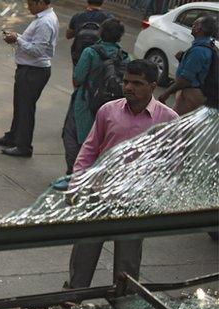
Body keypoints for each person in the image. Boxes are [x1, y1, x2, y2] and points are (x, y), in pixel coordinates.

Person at [65, 59, 179, 288]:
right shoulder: (108, 111)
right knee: (84, 253)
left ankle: (123, 306)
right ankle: (72, 299)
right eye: (126, 81)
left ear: (152, 86)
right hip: (99, 196)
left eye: (137, 83)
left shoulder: (169, 120)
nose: (128, 87)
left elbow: (172, 165)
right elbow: (89, 150)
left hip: (136, 202)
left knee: (127, 263)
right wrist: (76, 183)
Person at [0, 0, 59, 157]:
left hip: (34, 71)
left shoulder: (45, 22)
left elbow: (37, 50)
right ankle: (14, 136)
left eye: (31, 5)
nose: (29, 8)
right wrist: (18, 37)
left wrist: (17, 39)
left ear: (41, 3)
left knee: (26, 108)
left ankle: (24, 146)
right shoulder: (41, 18)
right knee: (20, 106)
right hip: (28, 69)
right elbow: (33, 43)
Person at [62, 18, 128, 175]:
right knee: (99, 140)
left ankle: (74, 174)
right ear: (119, 37)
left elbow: (77, 78)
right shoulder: (124, 56)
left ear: (101, 32)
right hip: (111, 105)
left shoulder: (90, 52)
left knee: (74, 136)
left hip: (85, 102)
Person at [159, 15, 219, 114]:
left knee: (178, 125)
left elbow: (185, 79)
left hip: (190, 94)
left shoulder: (199, 51)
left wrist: (166, 93)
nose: (192, 26)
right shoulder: (207, 45)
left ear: (199, 28)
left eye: (195, 24)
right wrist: (182, 58)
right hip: (193, 92)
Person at [66, 0, 113, 66]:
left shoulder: (78, 16)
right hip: (100, 58)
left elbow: (68, 35)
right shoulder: (109, 18)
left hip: (79, 57)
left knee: (78, 76)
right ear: (103, 1)